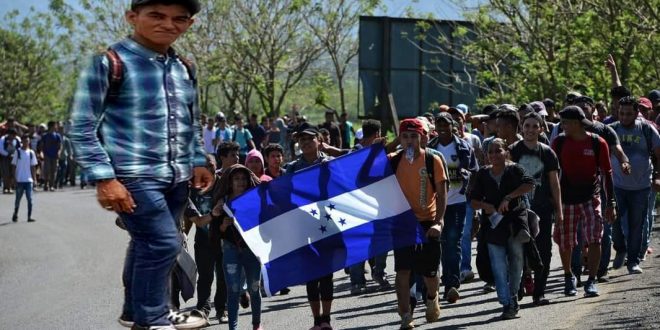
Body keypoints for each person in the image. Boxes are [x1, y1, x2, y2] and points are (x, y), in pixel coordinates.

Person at [67, 1, 213, 329]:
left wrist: (198, 160)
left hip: (176, 177)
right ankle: (154, 319)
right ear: (133, 17)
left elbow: (190, 121)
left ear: (188, 24)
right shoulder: (110, 63)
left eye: (179, 18)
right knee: (165, 242)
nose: (168, 24)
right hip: (133, 176)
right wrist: (105, 178)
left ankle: (135, 312)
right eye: (156, 16)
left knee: (146, 242)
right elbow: (81, 125)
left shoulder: (184, 67)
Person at [388, 118, 447, 330]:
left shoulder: (433, 160)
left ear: (422, 138)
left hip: (428, 221)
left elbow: (441, 195)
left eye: (414, 136)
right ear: (400, 138)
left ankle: (432, 297)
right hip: (402, 223)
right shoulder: (393, 160)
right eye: (405, 136)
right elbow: (368, 167)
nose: (410, 141)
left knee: (429, 273)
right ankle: (405, 315)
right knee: (403, 270)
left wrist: (439, 222)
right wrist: (394, 143)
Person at [551, 106, 616, 298]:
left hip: (590, 197)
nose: (562, 126)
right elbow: (552, 174)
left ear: (577, 123)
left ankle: (591, 280)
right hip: (567, 199)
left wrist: (610, 202)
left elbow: (607, 173)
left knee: (596, 237)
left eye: (565, 123)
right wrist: (554, 202)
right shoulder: (559, 142)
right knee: (566, 241)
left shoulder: (598, 142)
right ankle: (568, 276)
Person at [470, 138, 534, 319]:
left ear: (505, 152)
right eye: (490, 152)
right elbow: (473, 201)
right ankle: (506, 302)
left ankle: (513, 296)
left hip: (514, 223)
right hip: (493, 226)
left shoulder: (514, 169)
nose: (494, 155)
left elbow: (529, 184)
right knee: (498, 265)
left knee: (516, 260)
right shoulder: (483, 174)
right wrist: (485, 206)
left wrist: (509, 197)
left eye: (498, 151)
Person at [284, 126, 336, 330]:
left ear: (319, 140)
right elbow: (284, 193)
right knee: (311, 274)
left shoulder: (330, 163)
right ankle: (316, 321)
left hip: (328, 225)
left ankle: (327, 319)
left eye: (309, 139)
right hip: (303, 227)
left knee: (327, 274)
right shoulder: (292, 168)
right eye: (301, 140)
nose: (305, 142)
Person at [509, 112, 562, 306]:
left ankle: (539, 292)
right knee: (517, 251)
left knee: (543, 252)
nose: (530, 130)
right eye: (527, 125)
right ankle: (518, 286)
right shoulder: (512, 150)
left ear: (541, 129)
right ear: (522, 127)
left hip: (543, 209)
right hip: (518, 211)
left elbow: (555, 184)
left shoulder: (547, 152)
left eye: (534, 126)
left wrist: (559, 212)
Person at [427, 112, 478, 303]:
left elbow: (475, 171)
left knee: (453, 242)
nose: (442, 128)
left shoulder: (464, 147)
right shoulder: (430, 148)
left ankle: (452, 286)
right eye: (439, 125)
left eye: (445, 125)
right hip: (435, 203)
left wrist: (469, 188)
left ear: (452, 126)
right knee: (439, 242)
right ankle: (440, 281)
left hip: (457, 202)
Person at [608, 96, 660, 274]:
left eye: (628, 114)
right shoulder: (611, 130)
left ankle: (633, 261)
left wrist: (657, 177)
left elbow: (659, 154)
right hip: (616, 185)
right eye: (621, 113)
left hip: (641, 186)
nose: (624, 117)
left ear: (637, 113)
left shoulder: (647, 129)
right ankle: (620, 247)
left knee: (637, 224)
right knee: (614, 222)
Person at [211, 165, 264, 330]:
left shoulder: (255, 198)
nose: (240, 182)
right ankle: (232, 328)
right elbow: (215, 229)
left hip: (252, 250)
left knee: (254, 288)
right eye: (236, 179)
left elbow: (263, 222)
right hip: (230, 250)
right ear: (230, 182)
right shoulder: (223, 202)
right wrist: (223, 225)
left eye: (243, 179)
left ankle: (256, 324)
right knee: (233, 290)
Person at [347, 119, 391, 294]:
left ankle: (379, 272)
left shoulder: (380, 152)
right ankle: (357, 280)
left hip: (380, 204)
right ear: (377, 134)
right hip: (358, 205)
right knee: (358, 242)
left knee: (382, 240)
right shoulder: (355, 153)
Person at [11, 135, 38, 222]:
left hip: (28, 180)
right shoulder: (17, 152)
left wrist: (34, 179)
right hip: (19, 180)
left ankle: (29, 217)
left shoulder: (31, 153)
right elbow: (14, 166)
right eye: (25, 141)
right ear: (22, 141)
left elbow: (33, 167)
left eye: (27, 141)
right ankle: (15, 214)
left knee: (30, 199)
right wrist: (14, 178)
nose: (26, 142)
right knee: (18, 199)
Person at [40, 121, 61, 191]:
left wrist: (58, 152)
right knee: (47, 170)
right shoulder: (45, 136)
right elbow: (42, 146)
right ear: (51, 127)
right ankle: (46, 184)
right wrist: (41, 153)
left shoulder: (57, 136)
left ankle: (52, 185)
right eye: (55, 126)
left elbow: (59, 146)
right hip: (47, 155)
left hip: (54, 156)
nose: (56, 127)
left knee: (53, 171)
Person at [0, 128, 20, 194]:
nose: (13, 137)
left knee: (12, 173)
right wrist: (8, 154)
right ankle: (5, 188)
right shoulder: (3, 139)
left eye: (14, 135)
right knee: (6, 173)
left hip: (14, 158)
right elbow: (1, 149)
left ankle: (10, 187)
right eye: (12, 135)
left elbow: (19, 148)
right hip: (5, 158)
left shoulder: (17, 139)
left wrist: (15, 155)